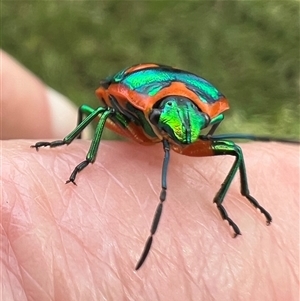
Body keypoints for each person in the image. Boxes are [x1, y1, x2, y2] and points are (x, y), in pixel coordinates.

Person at [1, 50, 299, 300]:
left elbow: (211, 123)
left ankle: (229, 198)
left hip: (182, 91)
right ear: (154, 116)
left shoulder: (202, 117)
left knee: (234, 151)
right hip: (136, 91)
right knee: (100, 114)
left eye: (197, 128)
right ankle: (75, 147)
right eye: (168, 130)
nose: (183, 140)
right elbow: (103, 105)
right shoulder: (134, 105)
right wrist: (74, 149)